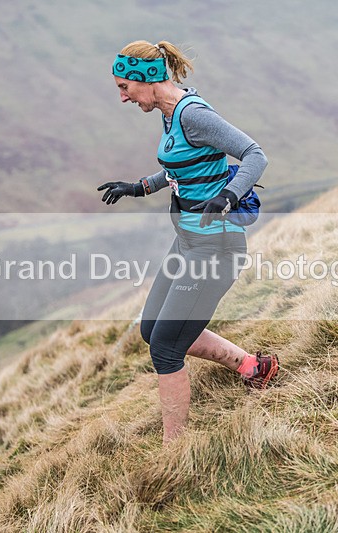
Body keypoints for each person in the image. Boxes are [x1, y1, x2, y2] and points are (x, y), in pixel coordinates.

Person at [98, 40, 279, 444]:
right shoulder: (169, 114)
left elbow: (255, 155)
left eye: (124, 87)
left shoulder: (193, 113)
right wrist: (140, 186)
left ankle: (173, 451)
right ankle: (252, 367)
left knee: (165, 348)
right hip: (188, 243)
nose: (122, 97)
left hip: (215, 248)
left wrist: (228, 195)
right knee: (152, 329)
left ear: (147, 79)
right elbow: (184, 165)